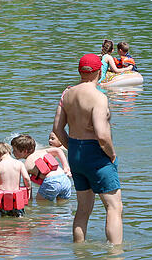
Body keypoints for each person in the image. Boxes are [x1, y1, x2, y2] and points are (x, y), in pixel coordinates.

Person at [52, 53, 123, 244]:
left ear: (80, 71)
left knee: (83, 209)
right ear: (99, 71)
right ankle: (115, 255)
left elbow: (57, 130)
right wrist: (112, 154)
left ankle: (80, 253)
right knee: (114, 208)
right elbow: (101, 134)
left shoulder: (67, 94)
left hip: (75, 154)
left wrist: (73, 148)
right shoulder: (98, 97)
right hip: (96, 154)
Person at [10, 134, 73, 202]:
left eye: (15, 150)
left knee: (41, 204)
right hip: (65, 179)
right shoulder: (42, 151)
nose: (13, 153)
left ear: (24, 151)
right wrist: (66, 167)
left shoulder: (26, 165)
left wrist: (29, 199)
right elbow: (58, 150)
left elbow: (27, 182)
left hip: (52, 181)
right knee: (62, 206)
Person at [0, 142, 31, 217]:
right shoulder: (19, 164)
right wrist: (28, 189)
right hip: (15, 199)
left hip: (2, 200)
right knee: (19, 218)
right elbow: (26, 178)